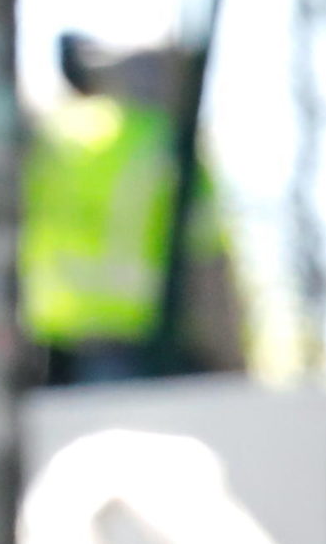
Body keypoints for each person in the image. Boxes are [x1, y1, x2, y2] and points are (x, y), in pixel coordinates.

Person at [22, 35, 235, 384]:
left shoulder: (56, 133)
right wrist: (227, 361)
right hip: (135, 340)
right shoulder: (172, 148)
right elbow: (211, 269)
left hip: (46, 340)